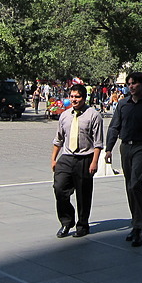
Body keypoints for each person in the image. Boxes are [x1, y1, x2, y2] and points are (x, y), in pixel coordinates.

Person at [105, 72, 142, 248]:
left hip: (141, 147)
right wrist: (108, 148)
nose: (131, 86)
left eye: (134, 83)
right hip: (125, 147)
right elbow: (114, 127)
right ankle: (135, 221)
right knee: (129, 185)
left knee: (135, 183)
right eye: (129, 83)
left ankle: (138, 225)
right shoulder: (122, 104)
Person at [51, 83, 103, 239]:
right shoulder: (65, 115)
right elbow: (58, 139)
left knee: (83, 194)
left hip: (85, 158)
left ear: (84, 98)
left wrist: (94, 162)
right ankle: (66, 221)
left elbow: (98, 142)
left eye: (77, 97)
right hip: (66, 157)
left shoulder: (93, 115)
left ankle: (82, 224)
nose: (74, 100)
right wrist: (54, 159)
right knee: (59, 188)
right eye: (72, 96)